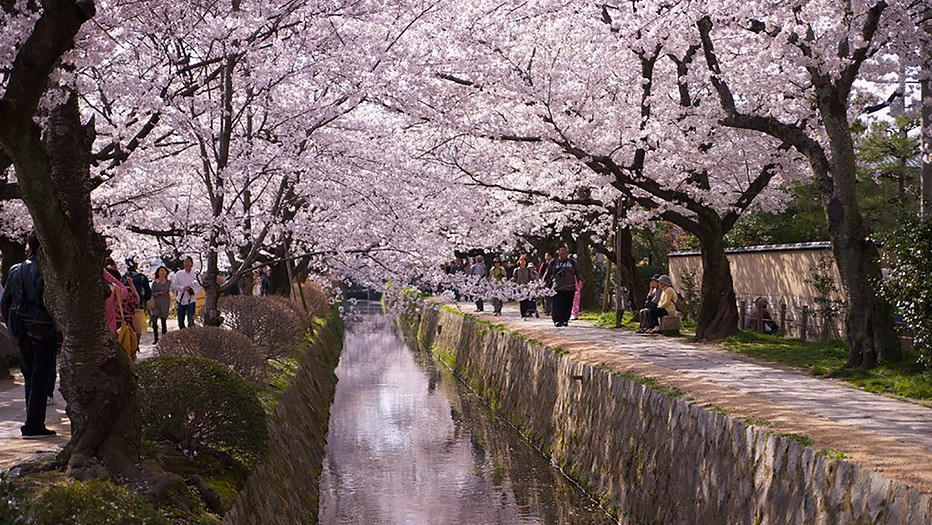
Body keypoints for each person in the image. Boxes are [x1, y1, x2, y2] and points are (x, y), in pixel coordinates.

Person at [0, 231, 61, 439]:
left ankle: (32, 422)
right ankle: (34, 424)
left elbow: (4, 302)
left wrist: (13, 326)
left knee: (29, 377)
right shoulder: (48, 270)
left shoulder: (15, 270)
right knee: (40, 376)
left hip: (21, 329)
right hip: (44, 329)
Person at [545, 246, 583, 327]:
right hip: (557, 287)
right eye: (561, 251)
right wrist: (543, 282)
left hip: (570, 287)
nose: (563, 253)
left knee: (568, 304)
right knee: (557, 304)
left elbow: (577, 272)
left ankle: (565, 320)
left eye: (564, 251)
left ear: (567, 252)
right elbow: (548, 272)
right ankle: (557, 320)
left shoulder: (572, 262)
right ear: (558, 252)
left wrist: (580, 280)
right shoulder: (554, 262)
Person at [171, 256, 202, 329]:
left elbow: (200, 285)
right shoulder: (179, 273)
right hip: (181, 299)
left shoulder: (196, 273)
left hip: (192, 299)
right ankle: (182, 332)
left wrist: (193, 291)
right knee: (180, 319)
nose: (187, 264)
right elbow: (174, 285)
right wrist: (182, 288)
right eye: (185, 262)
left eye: (188, 262)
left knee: (191, 318)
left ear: (192, 263)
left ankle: (190, 334)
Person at [150, 266, 171, 344]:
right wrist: (158, 293)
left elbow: (172, 290)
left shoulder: (169, 282)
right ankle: (156, 338)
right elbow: (151, 293)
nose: (163, 272)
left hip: (165, 302)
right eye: (161, 271)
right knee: (154, 320)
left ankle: (164, 338)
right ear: (158, 273)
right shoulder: (155, 283)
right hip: (156, 303)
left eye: (164, 271)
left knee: (163, 320)